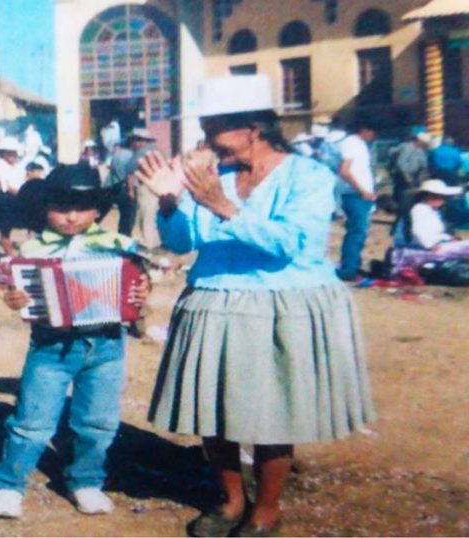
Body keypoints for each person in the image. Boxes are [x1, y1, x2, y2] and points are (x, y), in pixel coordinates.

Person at [136, 75, 374, 537]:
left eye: (215, 130)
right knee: (214, 408)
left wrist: (224, 206)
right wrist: (168, 203)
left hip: (283, 303)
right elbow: (185, 243)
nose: (208, 143)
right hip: (214, 301)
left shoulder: (309, 176)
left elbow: (291, 243)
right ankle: (230, 501)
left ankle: (266, 510)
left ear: (254, 128)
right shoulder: (214, 178)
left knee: (273, 411)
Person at [0, 164, 150, 519]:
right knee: (32, 421)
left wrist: (141, 291)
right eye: (61, 208)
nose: (72, 217)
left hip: (106, 345)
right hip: (51, 347)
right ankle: (9, 485)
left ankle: (86, 480)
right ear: (45, 209)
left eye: (82, 208)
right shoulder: (33, 249)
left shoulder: (119, 245)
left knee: (98, 421)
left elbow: (139, 284)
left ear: (98, 210)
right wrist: (16, 298)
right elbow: (19, 293)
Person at [390, 179, 469, 277]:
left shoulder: (431, 210)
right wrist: (430, 245)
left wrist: (448, 238)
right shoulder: (419, 209)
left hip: (425, 247)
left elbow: (435, 233)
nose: (444, 200)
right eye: (442, 197)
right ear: (430, 196)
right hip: (416, 250)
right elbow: (418, 232)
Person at [336, 118, 379, 281]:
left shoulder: (359, 145)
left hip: (359, 194)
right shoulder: (352, 143)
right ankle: (349, 268)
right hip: (355, 194)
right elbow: (344, 171)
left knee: (359, 232)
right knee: (356, 232)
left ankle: (353, 265)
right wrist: (362, 190)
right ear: (365, 130)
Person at [105, 128, 154, 237]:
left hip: (114, 188)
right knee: (128, 219)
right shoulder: (133, 156)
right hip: (127, 189)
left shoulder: (118, 154)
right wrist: (131, 191)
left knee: (123, 218)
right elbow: (130, 175)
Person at [0, 136, 27, 257]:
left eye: (14, 153)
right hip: (3, 199)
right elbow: (7, 186)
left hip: (16, 197)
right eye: (9, 153)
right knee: (5, 229)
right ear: (3, 153)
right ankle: (9, 255)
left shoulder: (17, 165)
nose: (12, 155)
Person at [389, 129, 430, 214]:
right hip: (401, 174)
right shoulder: (407, 147)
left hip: (413, 174)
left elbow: (423, 164)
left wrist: (422, 175)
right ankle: (399, 208)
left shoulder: (420, 150)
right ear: (418, 140)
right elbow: (401, 163)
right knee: (402, 192)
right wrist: (407, 177)